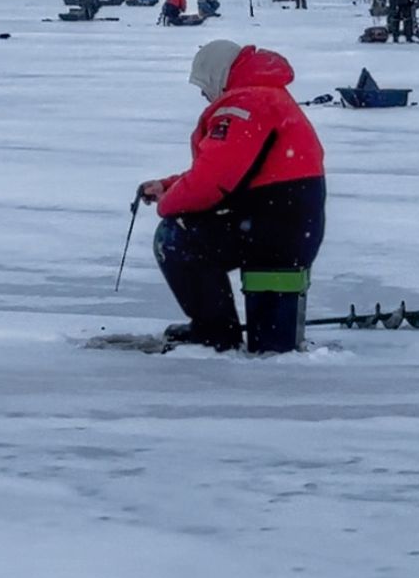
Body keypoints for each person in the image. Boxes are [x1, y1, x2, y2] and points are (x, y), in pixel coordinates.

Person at [138, 41, 326, 351]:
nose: (204, 95)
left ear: (217, 75)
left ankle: (214, 333)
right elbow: (237, 172)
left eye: (203, 86)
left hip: (271, 232)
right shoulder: (268, 96)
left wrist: (168, 208)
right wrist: (169, 186)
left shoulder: (244, 105)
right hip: (288, 228)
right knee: (189, 226)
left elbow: (211, 183)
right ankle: (226, 327)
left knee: (175, 236)